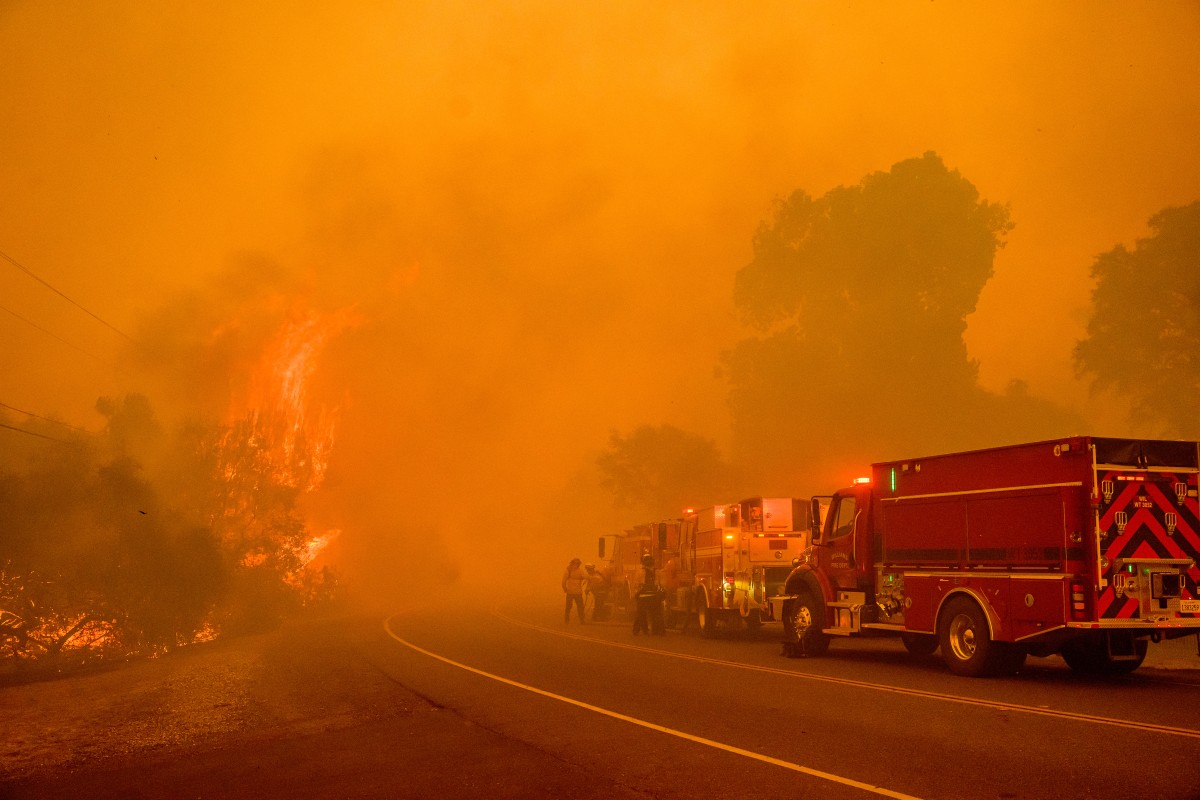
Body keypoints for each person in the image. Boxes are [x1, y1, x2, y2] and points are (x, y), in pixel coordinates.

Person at [631, 554, 665, 635]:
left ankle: (640, 630)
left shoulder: (639, 572)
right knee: (657, 615)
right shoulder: (658, 572)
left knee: (640, 615)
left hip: (643, 597)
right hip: (654, 597)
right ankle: (658, 630)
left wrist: (635, 595)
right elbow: (663, 585)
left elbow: (635, 585)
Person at [561, 558, 587, 624]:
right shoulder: (568, 571)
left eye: (578, 564)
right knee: (569, 606)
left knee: (580, 606)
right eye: (576, 563)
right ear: (572, 563)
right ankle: (566, 619)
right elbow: (563, 581)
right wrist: (565, 589)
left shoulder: (580, 571)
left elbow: (585, 577)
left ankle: (582, 619)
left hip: (578, 592)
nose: (577, 565)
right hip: (570, 592)